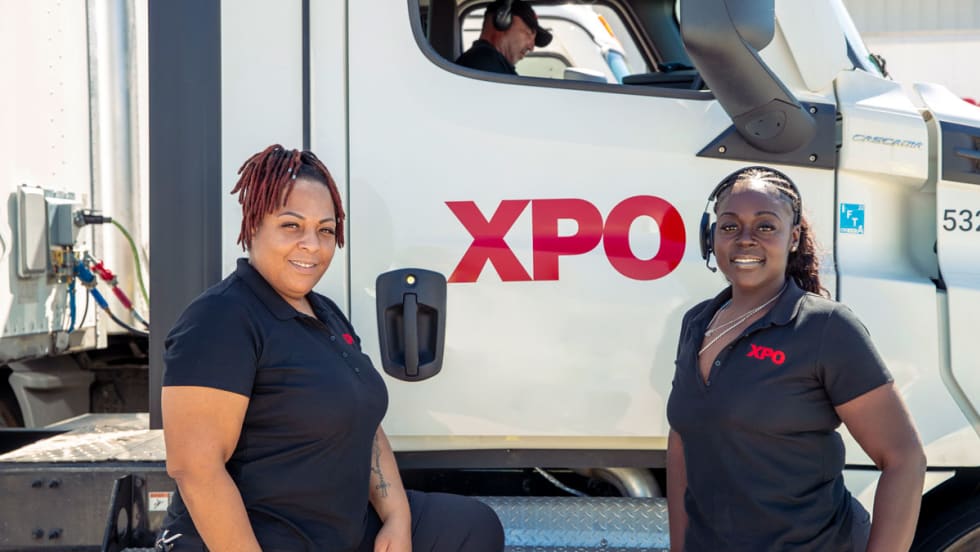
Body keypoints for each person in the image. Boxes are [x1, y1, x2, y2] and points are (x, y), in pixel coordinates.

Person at [158, 145, 505, 551]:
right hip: (260, 537)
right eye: (292, 226)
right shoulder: (220, 317)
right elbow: (195, 469)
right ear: (252, 226)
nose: (312, 245)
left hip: (337, 528)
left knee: (472, 526)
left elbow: (362, 421)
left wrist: (397, 517)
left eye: (325, 230)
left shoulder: (325, 312)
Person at [666, 166, 926, 551]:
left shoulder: (826, 327)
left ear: (793, 238)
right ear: (711, 237)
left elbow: (904, 459)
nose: (745, 239)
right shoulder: (697, 323)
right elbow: (682, 442)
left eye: (766, 226)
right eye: (730, 226)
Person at [456, 0, 552, 74]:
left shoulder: (495, 65)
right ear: (503, 21)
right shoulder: (483, 62)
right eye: (529, 33)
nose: (531, 48)